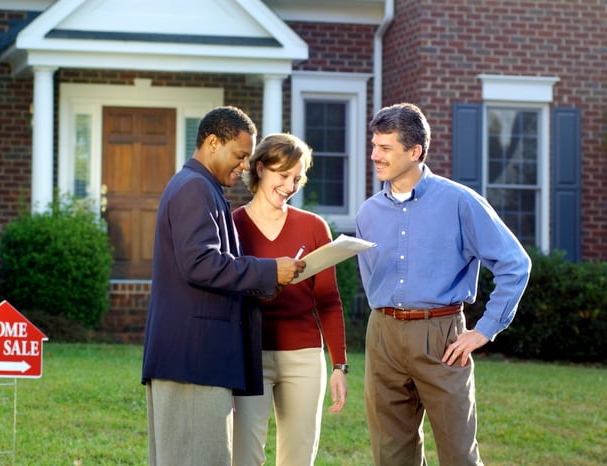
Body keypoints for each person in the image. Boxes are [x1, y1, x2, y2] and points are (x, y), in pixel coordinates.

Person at [355, 103, 531, 466]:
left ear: (415, 151)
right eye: (374, 145)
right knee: (391, 455)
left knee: (458, 454)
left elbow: (515, 264)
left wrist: (483, 331)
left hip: (442, 336)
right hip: (383, 336)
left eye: (385, 148)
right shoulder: (368, 212)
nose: (375, 155)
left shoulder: (459, 202)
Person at [141, 107, 305, 466]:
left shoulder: (201, 187)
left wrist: (262, 286)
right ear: (213, 143)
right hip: (193, 361)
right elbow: (200, 263)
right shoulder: (193, 189)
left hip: (195, 359)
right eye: (241, 155)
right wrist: (267, 271)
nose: (245, 165)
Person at [232, 133, 348, 466]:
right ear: (260, 169)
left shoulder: (313, 226)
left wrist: (339, 365)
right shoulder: (233, 225)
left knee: (298, 458)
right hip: (248, 355)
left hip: (304, 357)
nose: (290, 185)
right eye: (283, 175)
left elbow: (329, 301)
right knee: (244, 456)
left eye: (297, 178)